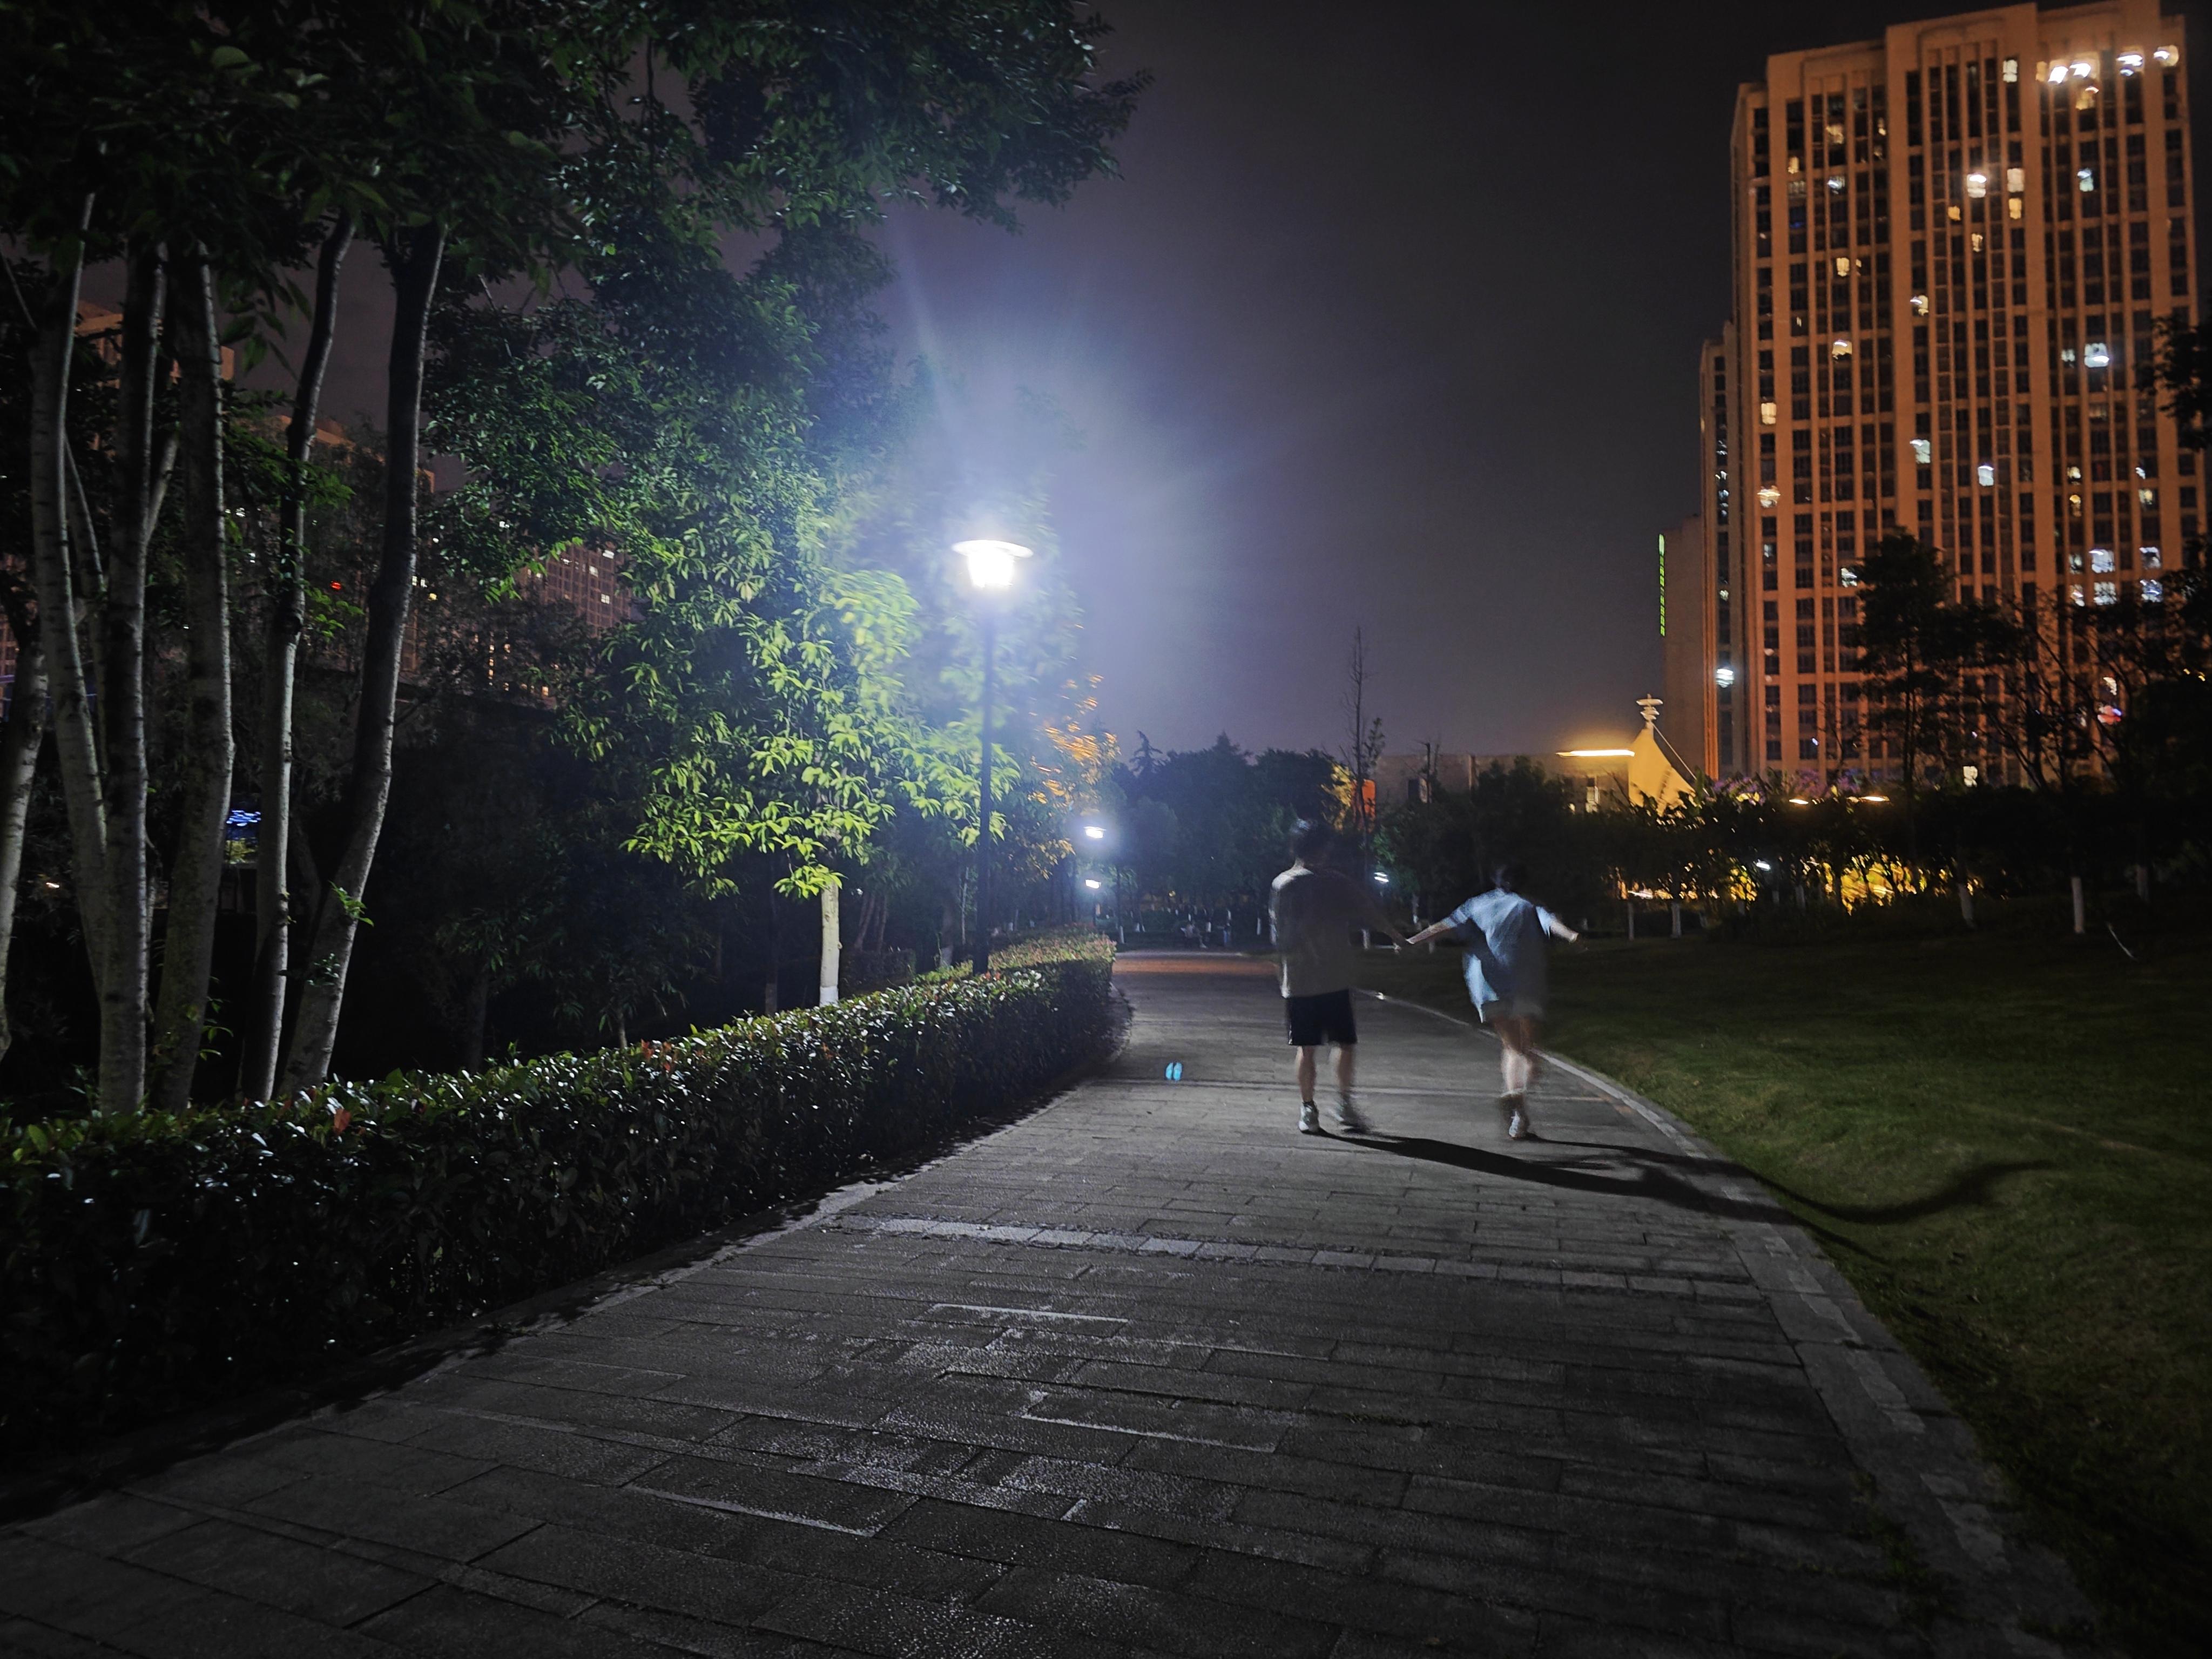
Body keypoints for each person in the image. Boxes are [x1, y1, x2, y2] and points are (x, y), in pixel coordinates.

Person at [1406, 861, 1580, 1141]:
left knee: (1512, 1047)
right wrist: (1572, 935)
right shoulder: (1529, 905)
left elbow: (1445, 926)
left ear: (1496, 881)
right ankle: (1517, 1095)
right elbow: (1552, 924)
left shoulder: (1478, 905)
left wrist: (1413, 941)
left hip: (1487, 986)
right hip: (1526, 985)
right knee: (1526, 1050)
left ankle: (1518, 1115)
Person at [1270, 820, 1401, 1135]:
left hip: (1299, 980)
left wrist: (1283, 974)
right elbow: (1370, 912)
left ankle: (1308, 1110)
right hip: (1334, 978)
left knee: (1306, 1047)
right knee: (1344, 1042)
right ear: (1323, 848)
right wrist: (1398, 936)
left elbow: (1280, 938)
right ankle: (1343, 1104)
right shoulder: (1336, 882)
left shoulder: (1283, 884)